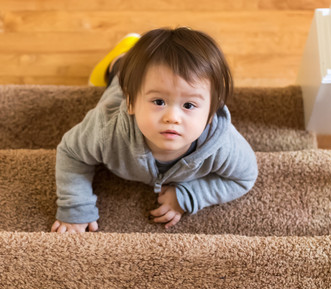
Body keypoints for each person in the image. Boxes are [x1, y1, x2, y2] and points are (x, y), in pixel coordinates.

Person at [51, 27, 258, 233]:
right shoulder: (107, 128)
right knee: (122, 71)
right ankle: (122, 54)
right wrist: (75, 207)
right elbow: (71, 152)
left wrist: (190, 195)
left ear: (211, 113)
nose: (172, 118)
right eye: (159, 101)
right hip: (120, 89)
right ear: (131, 103)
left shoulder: (222, 144)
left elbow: (245, 177)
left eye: (189, 105)